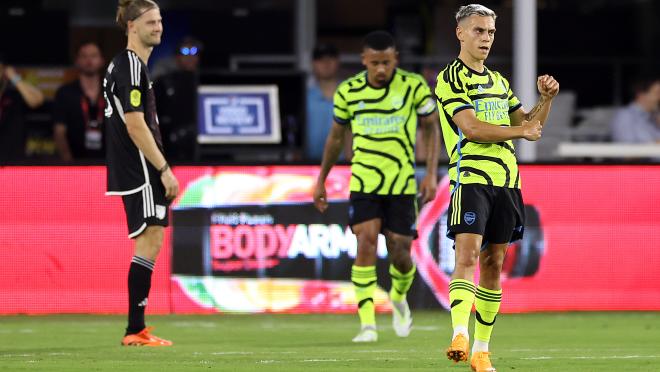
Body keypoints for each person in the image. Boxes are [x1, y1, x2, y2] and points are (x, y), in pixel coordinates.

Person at [435, 5, 559, 371]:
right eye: (478, 31)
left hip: (507, 181)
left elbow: (531, 128)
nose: (485, 38)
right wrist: (518, 130)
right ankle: (460, 333)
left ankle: (481, 351)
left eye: (490, 32)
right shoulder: (450, 79)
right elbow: (471, 128)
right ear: (460, 33)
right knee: (468, 256)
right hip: (470, 178)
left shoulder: (500, 82)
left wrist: (545, 101)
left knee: (493, 263)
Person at [313, 31, 441, 343]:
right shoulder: (349, 91)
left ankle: (398, 297)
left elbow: (430, 127)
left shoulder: (413, 87)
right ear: (364, 61)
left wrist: (431, 174)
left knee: (400, 251)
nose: (381, 69)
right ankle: (367, 324)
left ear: (395, 59)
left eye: (386, 62)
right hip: (364, 182)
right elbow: (336, 138)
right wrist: (321, 179)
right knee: (366, 241)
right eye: (375, 63)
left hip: (400, 184)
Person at [104, 0, 179, 346]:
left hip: (135, 167)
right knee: (150, 239)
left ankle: (137, 327)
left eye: (160, 20)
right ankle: (135, 329)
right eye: (151, 21)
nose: (158, 26)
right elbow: (135, 124)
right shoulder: (130, 66)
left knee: (151, 239)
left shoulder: (130, 67)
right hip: (141, 168)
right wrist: (163, 169)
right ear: (131, 25)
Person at [53, 42, 107, 162]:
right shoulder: (65, 93)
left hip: (109, 163)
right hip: (75, 162)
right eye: (84, 56)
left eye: (93, 56)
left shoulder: (113, 91)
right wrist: (69, 163)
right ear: (77, 61)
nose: (89, 60)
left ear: (102, 60)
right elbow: (59, 131)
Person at [153, 37, 203, 161]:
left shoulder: (206, 82)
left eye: (194, 52)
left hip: (198, 142)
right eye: (185, 52)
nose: (190, 56)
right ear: (177, 57)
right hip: (172, 143)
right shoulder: (164, 82)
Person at [305, 43, 347, 162]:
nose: (326, 63)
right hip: (309, 166)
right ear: (313, 64)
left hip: (345, 167)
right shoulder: (304, 98)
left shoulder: (353, 97)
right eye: (320, 59)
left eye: (331, 58)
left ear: (338, 62)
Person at [0, 53, 45, 163]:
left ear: (4, 70)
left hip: (12, 161)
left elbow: (37, 100)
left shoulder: (15, 93)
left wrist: (15, 78)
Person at [609, 77, 660, 145]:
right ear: (641, 94)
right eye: (657, 93)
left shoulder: (653, 118)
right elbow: (628, 151)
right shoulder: (625, 116)